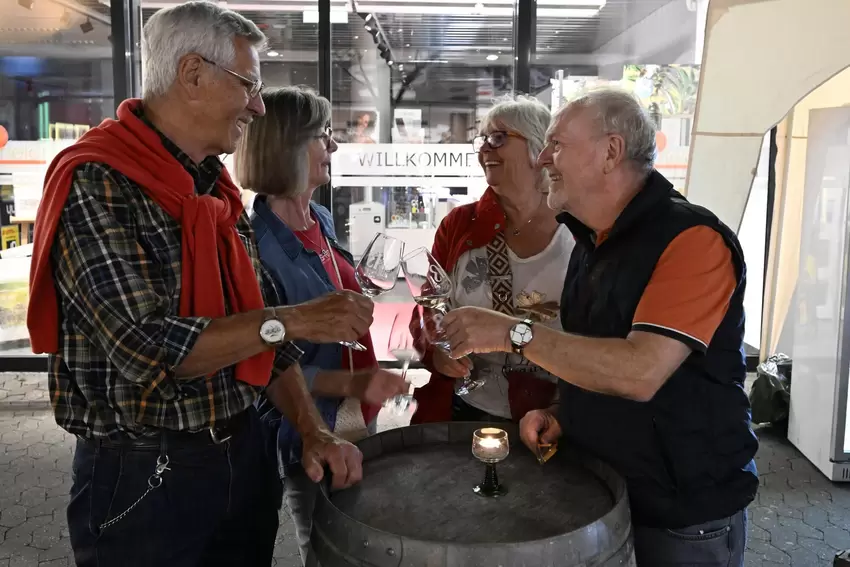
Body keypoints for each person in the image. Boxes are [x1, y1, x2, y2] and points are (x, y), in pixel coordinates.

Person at [26, 3, 368, 566]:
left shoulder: (214, 189)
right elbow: (149, 348)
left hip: (243, 450)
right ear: (192, 75)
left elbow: (263, 338)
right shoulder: (97, 180)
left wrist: (313, 431)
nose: (258, 106)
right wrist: (300, 318)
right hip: (145, 471)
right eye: (249, 85)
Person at [442, 88, 758, 566]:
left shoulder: (693, 239)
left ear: (611, 152)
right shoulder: (591, 240)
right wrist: (562, 413)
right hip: (601, 494)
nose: (544, 157)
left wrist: (513, 333)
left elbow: (639, 371)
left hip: (681, 515)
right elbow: (591, 352)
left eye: (557, 145)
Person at [235, 86, 408, 567]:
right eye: (322, 135)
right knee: (331, 550)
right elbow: (259, 368)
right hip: (308, 433)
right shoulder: (256, 248)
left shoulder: (321, 219)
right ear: (285, 146)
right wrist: (352, 381)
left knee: (359, 537)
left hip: (354, 417)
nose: (333, 146)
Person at [411, 95, 570, 424]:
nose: (485, 149)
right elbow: (431, 306)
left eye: (498, 138)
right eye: (482, 139)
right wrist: (437, 349)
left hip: (561, 413)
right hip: (469, 409)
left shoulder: (578, 226)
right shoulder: (460, 225)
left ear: (538, 149)